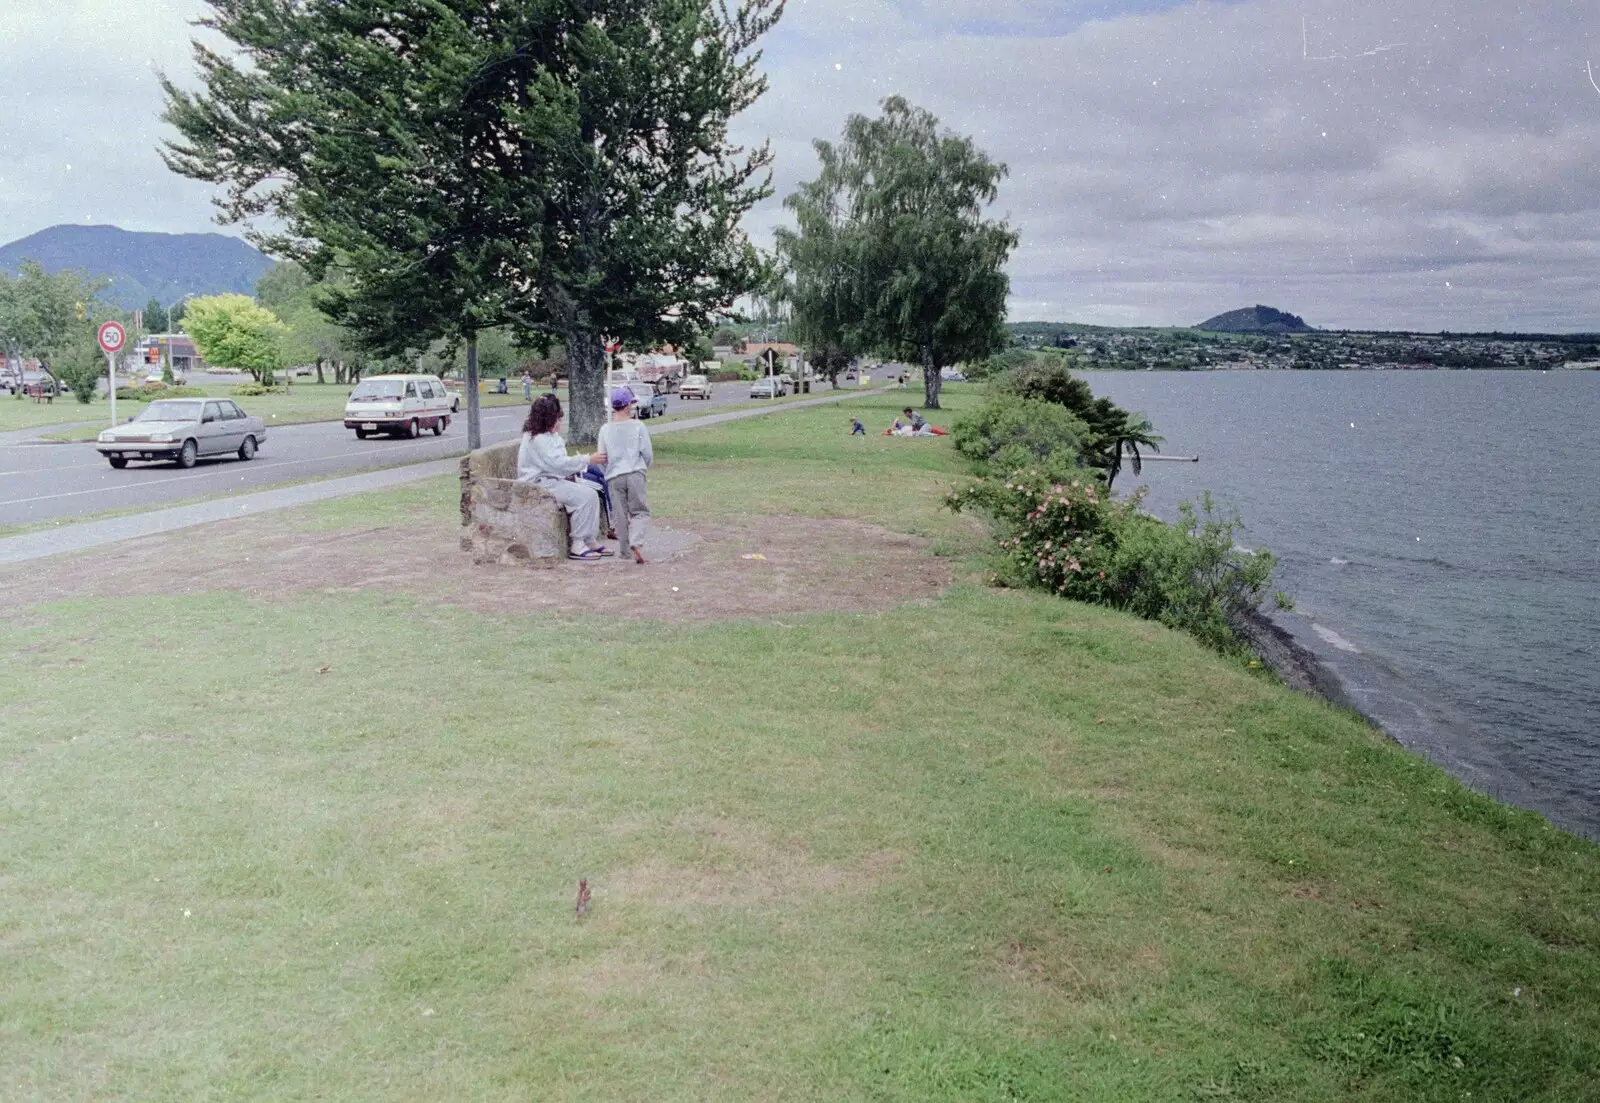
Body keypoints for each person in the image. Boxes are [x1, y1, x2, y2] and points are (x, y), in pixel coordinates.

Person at [516, 394, 612, 560]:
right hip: (538, 484)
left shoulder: (548, 436)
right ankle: (578, 543)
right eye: (557, 419)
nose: (560, 423)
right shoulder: (538, 439)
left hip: (551, 480)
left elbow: (560, 464)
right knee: (585, 496)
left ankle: (589, 538)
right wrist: (587, 459)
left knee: (592, 493)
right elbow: (558, 464)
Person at [596, 387, 654, 564]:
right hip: (635, 471)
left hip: (614, 475)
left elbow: (602, 457)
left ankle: (624, 550)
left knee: (619, 514)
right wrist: (644, 467)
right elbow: (647, 453)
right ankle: (636, 541)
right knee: (640, 511)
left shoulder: (605, 429)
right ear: (629, 405)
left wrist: (608, 472)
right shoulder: (638, 426)